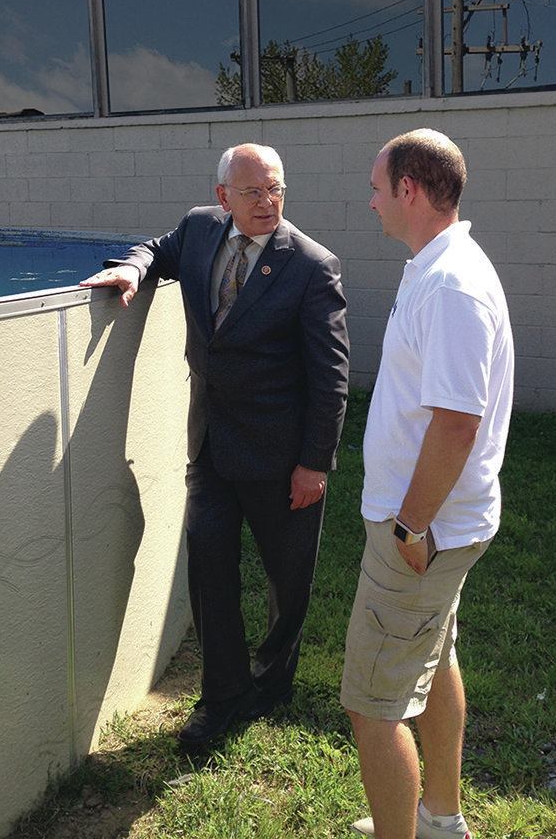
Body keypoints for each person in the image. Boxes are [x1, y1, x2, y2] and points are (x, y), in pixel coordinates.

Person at [81, 143, 350, 748]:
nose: (268, 202)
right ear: (223, 195)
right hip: (209, 445)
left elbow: (331, 376)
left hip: (281, 458)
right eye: (253, 191)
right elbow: (158, 250)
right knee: (209, 569)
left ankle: (275, 675)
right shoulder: (201, 230)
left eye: (276, 189)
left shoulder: (311, 266)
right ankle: (223, 695)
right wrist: (132, 269)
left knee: (289, 579)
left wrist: (314, 463)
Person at [341, 129, 514, 839]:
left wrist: (410, 525)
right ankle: (441, 818)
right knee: (436, 657)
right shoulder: (435, 266)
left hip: (423, 533)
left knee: (374, 706)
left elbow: (455, 426)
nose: (372, 200)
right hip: (436, 527)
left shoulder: (451, 284)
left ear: (409, 188)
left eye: (378, 187)